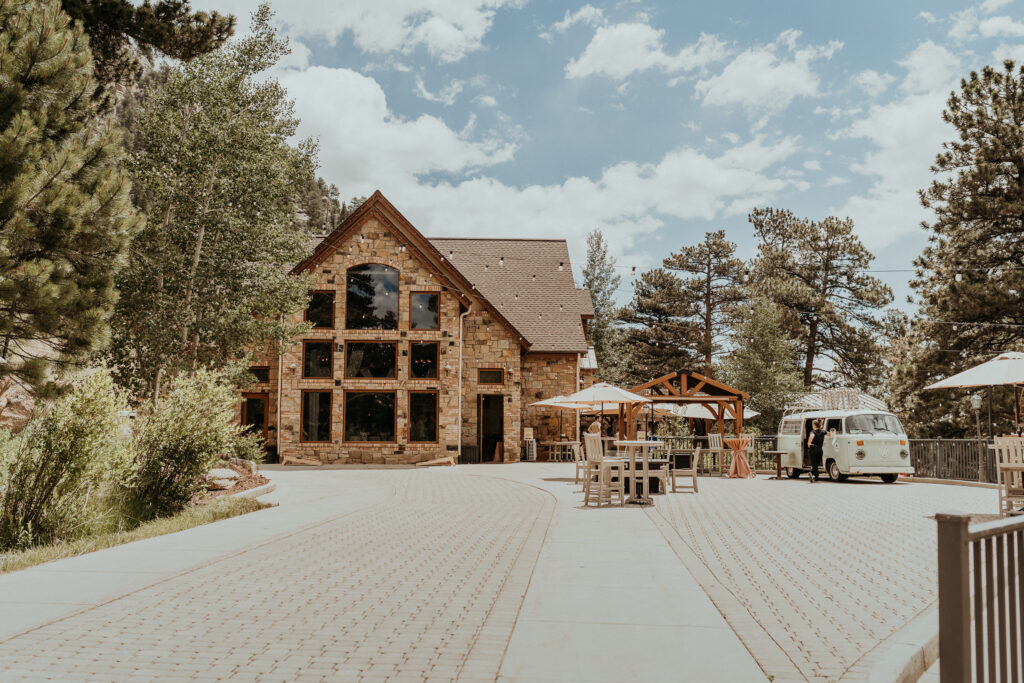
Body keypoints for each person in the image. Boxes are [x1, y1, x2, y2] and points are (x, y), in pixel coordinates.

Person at [806, 419, 826, 483]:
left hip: (813, 449)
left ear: (814, 425)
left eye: (812, 424)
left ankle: (811, 473)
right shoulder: (823, 431)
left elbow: (812, 436)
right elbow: (829, 433)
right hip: (820, 450)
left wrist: (809, 443)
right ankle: (816, 478)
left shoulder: (813, 432)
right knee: (816, 465)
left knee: (814, 464)